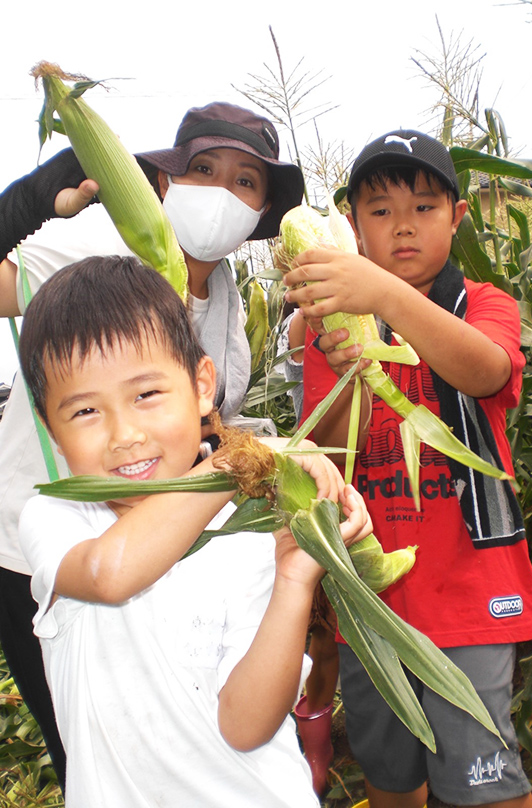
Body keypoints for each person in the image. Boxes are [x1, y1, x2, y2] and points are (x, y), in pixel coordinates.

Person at [0, 100, 304, 789]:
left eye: (245, 181)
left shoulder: (224, 296)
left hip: (175, 526)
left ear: (260, 212)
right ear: (165, 184)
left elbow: (211, 429)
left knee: (176, 710)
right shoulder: (97, 249)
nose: (223, 191)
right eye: (204, 169)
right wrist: (24, 205)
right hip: (50, 541)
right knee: (89, 732)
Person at [16, 255, 372, 807]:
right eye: (86, 411)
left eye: (147, 394)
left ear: (202, 386)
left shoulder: (248, 530)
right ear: (51, 430)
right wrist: (238, 464)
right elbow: (110, 574)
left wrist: (294, 582)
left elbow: (245, 726)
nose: (125, 434)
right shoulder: (57, 519)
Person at [283, 129, 532, 808]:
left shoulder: (483, 304)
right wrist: (345, 373)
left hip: (472, 594)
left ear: (457, 218)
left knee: (486, 783)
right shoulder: (329, 327)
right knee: (390, 774)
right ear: (352, 225)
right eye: (380, 211)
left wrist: (386, 299)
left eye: (425, 207)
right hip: (373, 604)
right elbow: (330, 454)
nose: (402, 227)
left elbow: (485, 372)